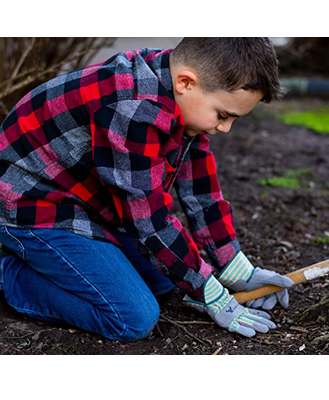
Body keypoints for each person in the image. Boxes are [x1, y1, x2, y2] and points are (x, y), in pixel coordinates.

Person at [0, 37, 293, 342]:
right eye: (223, 115)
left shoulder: (177, 90)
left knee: (166, 284)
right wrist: (210, 290)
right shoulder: (132, 109)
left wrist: (236, 269)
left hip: (88, 200)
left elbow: (201, 192)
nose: (225, 128)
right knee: (132, 317)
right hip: (33, 207)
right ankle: (9, 274)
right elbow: (148, 221)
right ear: (186, 82)